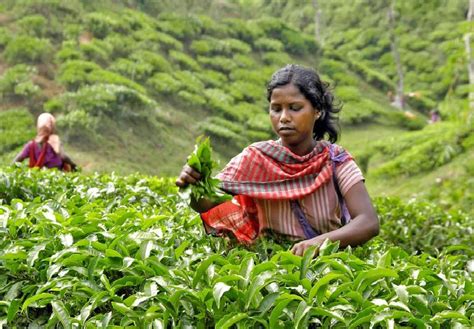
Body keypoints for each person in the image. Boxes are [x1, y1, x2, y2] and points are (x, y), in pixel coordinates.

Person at [176, 64, 379, 256]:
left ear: (317, 110)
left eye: (294, 108)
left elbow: (368, 222)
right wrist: (195, 185)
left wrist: (318, 243)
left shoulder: (335, 160)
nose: (283, 117)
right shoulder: (254, 158)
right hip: (270, 271)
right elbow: (206, 204)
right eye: (276, 108)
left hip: (327, 272)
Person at [13, 112, 77, 171]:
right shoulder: (54, 140)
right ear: (52, 126)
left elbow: (18, 159)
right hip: (55, 176)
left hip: (37, 178)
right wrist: (74, 166)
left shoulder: (31, 145)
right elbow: (63, 156)